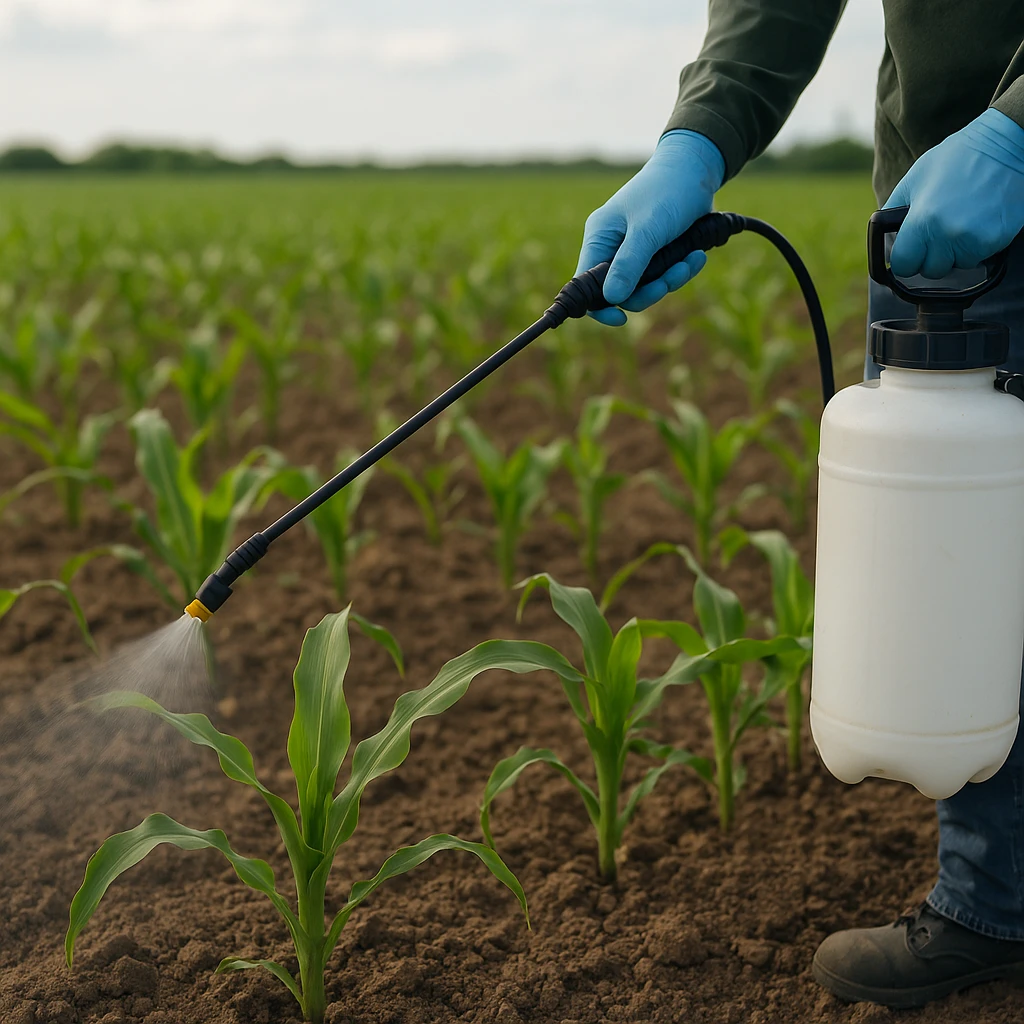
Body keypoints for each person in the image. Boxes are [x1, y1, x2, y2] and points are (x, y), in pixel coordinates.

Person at [576, 2, 1024, 1010]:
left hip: (986, 168)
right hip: (946, 214)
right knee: (973, 566)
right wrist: (696, 139)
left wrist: (1017, 130)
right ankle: (998, 901)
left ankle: (994, 902)